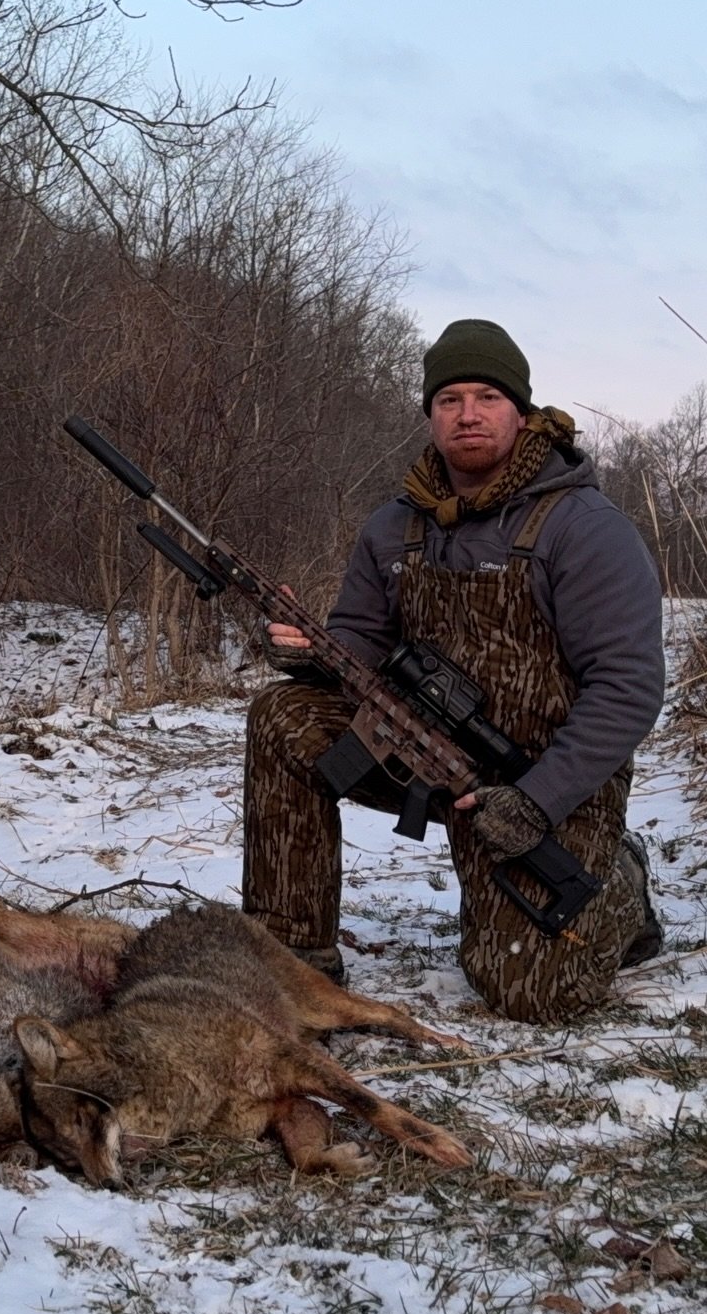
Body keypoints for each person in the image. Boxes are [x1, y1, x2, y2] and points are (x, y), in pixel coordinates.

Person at [241, 318, 665, 1023]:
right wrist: (308, 650)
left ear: (521, 412)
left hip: (545, 781)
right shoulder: (393, 526)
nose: (468, 413)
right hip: (418, 753)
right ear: (431, 416)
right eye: (449, 399)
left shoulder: (585, 528)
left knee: (532, 993)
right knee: (284, 716)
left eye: (487, 397)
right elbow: (359, 640)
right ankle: (291, 955)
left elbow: (628, 687)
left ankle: (621, 880)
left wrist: (538, 799)